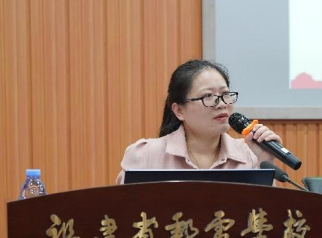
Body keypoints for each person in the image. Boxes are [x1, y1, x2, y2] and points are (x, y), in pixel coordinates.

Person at [116, 59, 282, 184]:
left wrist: (265, 162)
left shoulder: (250, 155)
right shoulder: (145, 155)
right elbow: (123, 213)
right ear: (179, 111)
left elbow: (264, 215)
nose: (222, 104)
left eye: (225, 94)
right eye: (208, 96)